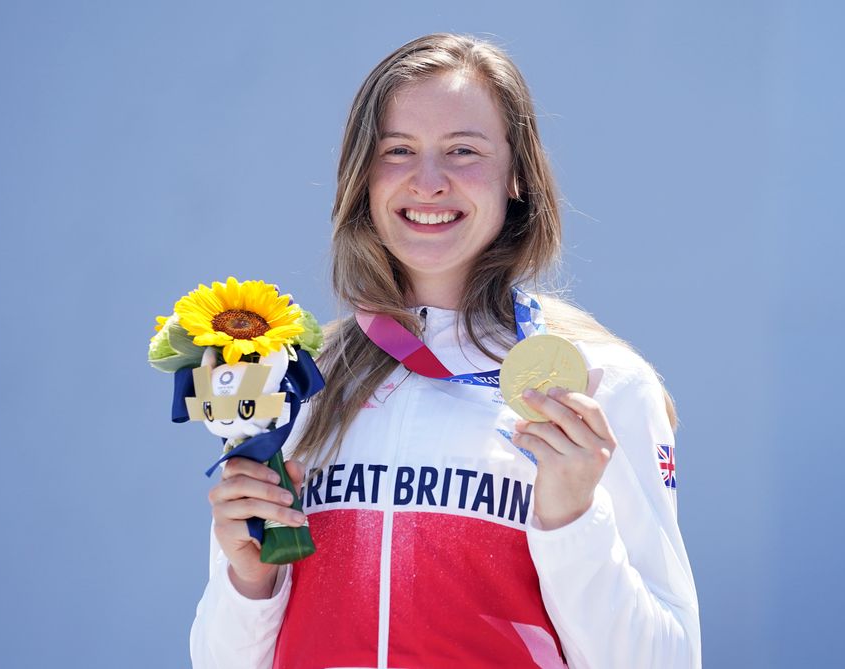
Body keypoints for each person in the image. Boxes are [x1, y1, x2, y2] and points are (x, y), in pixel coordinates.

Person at [190, 33, 700, 669]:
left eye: (463, 151)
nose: (428, 182)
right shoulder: (293, 380)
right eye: (398, 150)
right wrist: (250, 584)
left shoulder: (598, 384)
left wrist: (573, 520)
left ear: (518, 174)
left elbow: (667, 660)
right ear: (361, 176)